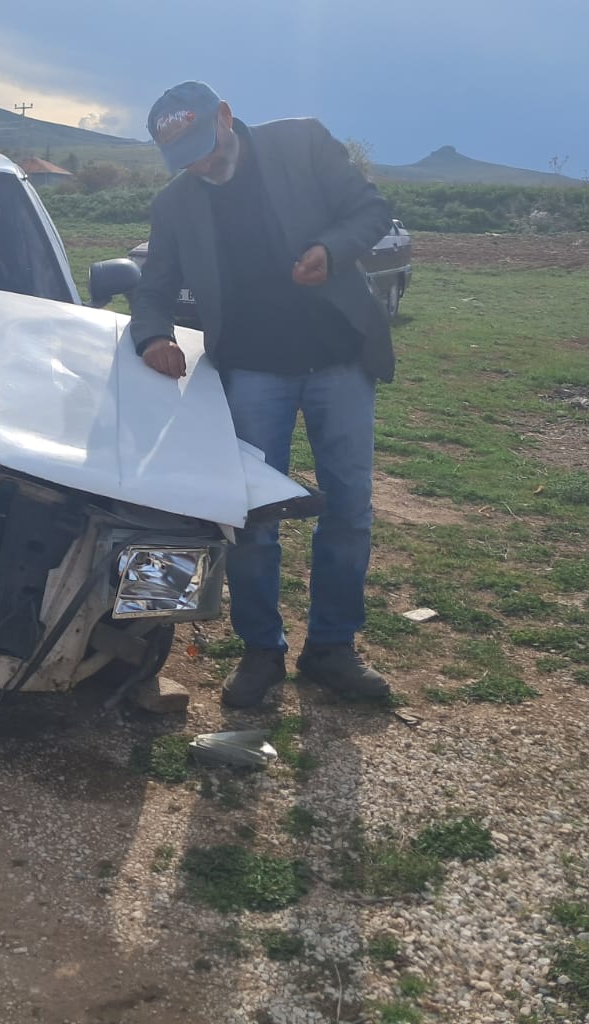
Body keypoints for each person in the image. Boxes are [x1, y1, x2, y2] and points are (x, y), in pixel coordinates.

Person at [127, 81, 394, 709]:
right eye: (183, 158)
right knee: (249, 518)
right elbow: (153, 286)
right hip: (250, 374)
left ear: (225, 116)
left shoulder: (301, 143)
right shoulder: (175, 203)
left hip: (338, 361)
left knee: (349, 510)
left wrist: (331, 250)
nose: (198, 165)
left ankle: (332, 648)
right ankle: (261, 651)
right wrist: (152, 337)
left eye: (202, 147)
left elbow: (370, 212)